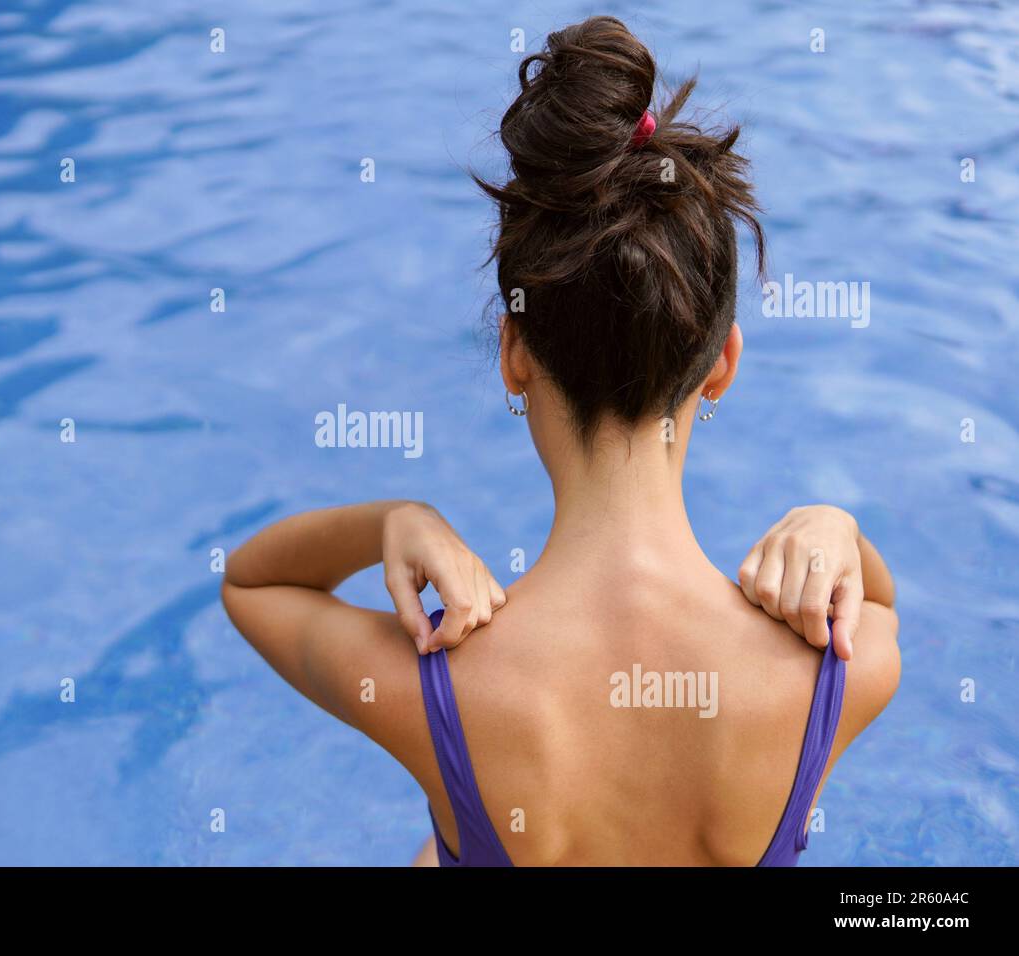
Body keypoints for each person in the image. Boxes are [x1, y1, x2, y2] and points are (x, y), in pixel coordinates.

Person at [221, 16, 899, 866]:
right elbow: (880, 610)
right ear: (721, 364)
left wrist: (392, 518)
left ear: (514, 354)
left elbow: (250, 583)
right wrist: (840, 530)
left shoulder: (434, 685)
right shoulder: (836, 674)